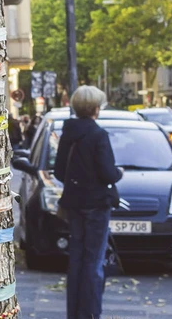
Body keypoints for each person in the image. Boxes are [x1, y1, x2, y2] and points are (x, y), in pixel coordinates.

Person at [53, 85, 122, 319]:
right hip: (97, 206)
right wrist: (118, 173)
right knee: (93, 262)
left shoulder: (68, 133)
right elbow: (108, 174)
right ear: (95, 108)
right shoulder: (98, 135)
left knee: (77, 260)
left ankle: (74, 313)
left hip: (74, 204)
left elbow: (60, 171)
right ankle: (90, 313)